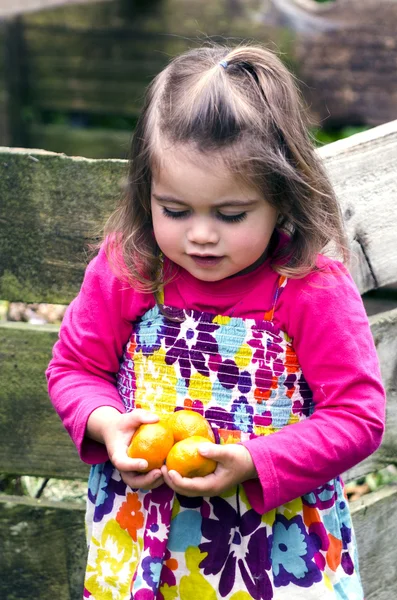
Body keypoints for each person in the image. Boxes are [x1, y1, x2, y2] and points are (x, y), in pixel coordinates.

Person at [47, 44, 385, 600]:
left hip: (275, 551)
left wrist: (255, 461)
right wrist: (107, 425)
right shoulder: (130, 267)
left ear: (283, 197)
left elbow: (357, 415)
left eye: (231, 215)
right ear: (146, 193)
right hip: (142, 548)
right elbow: (74, 368)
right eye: (174, 210)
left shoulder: (307, 286)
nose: (200, 235)